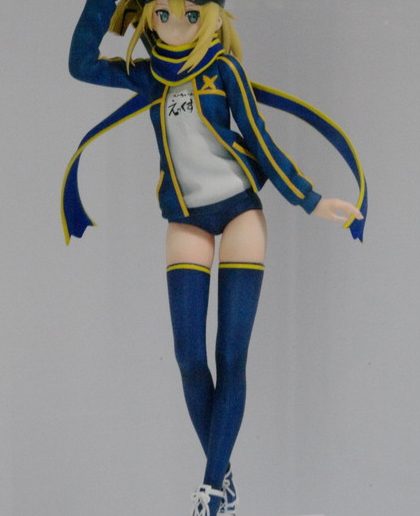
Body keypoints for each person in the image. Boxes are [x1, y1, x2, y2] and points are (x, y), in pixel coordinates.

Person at [62, 1, 367, 514]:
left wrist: (309, 198)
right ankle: (222, 476)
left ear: (211, 17)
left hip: (240, 209)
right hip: (186, 217)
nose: (175, 24)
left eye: (190, 14)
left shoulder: (224, 70)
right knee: (188, 357)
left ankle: (210, 489)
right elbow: (80, 64)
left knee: (231, 357)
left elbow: (259, 138)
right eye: (162, 14)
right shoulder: (151, 77)